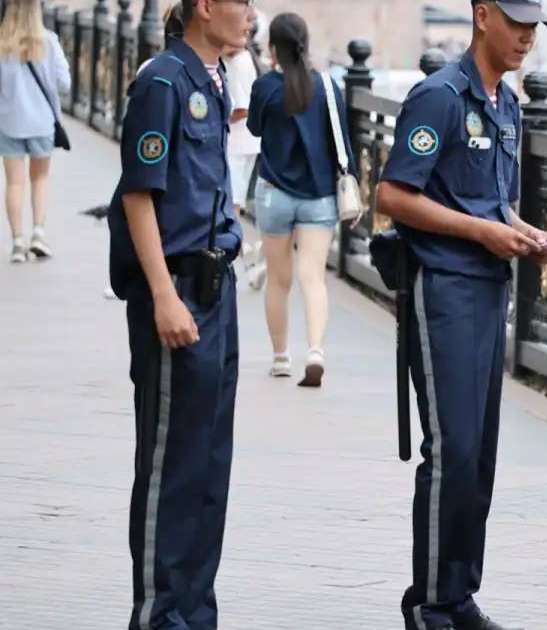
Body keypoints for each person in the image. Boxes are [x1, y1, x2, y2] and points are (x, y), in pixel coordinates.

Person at [375, 1, 547, 628]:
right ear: (482, 16)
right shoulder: (439, 97)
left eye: (536, 27)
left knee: (479, 454)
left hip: (489, 288)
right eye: (517, 23)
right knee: (450, 448)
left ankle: (458, 595)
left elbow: (495, 203)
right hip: (444, 288)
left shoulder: (507, 105)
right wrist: (481, 233)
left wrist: (526, 233)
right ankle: (428, 601)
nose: (527, 37)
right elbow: (394, 195)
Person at [105, 0, 253, 627]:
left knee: (209, 466)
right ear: (206, 7)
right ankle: (160, 615)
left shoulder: (212, 81)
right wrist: (163, 294)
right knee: (171, 467)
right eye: (242, 3)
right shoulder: (164, 81)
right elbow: (140, 193)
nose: (250, 15)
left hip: (217, 293)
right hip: (179, 293)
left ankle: (195, 612)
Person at [247, 12, 353, 386]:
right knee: (313, 278)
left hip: (275, 194)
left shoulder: (266, 88)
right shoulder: (326, 86)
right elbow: (343, 141)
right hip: (320, 197)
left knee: (279, 280)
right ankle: (315, 351)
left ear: (273, 47)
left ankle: (280, 358)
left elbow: (255, 128)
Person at [0, 0, 70, 263]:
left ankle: (18, 242)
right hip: (41, 122)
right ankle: (38, 234)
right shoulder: (49, 42)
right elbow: (65, 83)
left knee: (14, 183)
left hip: (9, 123)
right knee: (40, 179)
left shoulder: (2, 43)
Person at [222, 34, 262, 280]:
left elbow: (242, 107)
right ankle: (242, 252)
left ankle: (235, 252)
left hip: (237, 142)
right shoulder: (240, 60)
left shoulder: (240, 63)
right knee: (233, 200)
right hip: (244, 142)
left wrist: (220, 118)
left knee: (232, 202)